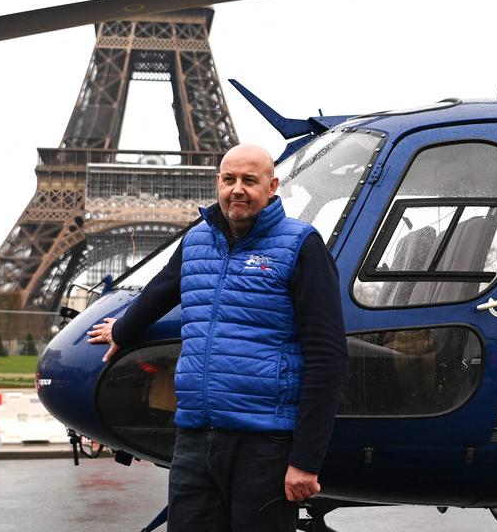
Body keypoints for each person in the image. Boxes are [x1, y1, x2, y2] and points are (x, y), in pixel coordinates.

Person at [87, 142, 348, 532]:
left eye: (249, 180)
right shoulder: (196, 241)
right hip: (195, 436)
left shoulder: (301, 245)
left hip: (264, 441)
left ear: (273, 186)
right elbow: (160, 290)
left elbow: (328, 355)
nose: (237, 189)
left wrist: (306, 460)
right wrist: (122, 330)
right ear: (217, 183)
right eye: (229, 180)